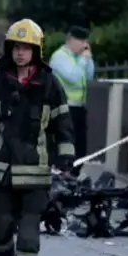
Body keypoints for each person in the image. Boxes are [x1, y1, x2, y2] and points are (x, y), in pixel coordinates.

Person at [0, 19, 75, 256]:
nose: (20, 53)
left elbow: (63, 123)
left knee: (30, 223)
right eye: (16, 47)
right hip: (2, 166)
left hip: (35, 168)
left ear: (36, 51)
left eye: (26, 48)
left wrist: (65, 157)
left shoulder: (50, 84)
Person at [48, 25, 94, 163]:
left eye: (86, 41)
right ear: (70, 40)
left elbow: (89, 76)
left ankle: (75, 173)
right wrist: (83, 60)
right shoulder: (59, 57)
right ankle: (63, 172)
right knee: (66, 142)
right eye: (81, 41)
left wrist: (88, 59)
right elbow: (73, 77)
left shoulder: (79, 57)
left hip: (79, 107)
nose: (84, 45)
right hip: (64, 107)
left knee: (80, 144)